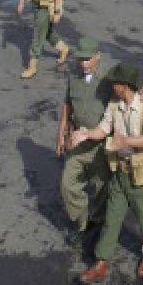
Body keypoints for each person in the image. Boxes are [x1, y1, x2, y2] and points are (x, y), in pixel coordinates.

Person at [72, 63, 143, 285]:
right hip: (120, 173)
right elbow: (103, 128)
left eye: (115, 82)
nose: (112, 85)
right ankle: (101, 262)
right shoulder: (114, 104)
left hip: (140, 175)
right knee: (112, 219)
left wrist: (126, 141)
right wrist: (85, 135)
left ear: (125, 86)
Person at [57, 37, 111, 240]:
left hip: (101, 145)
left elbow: (126, 100)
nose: (84, 63)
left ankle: (97, 220)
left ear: (98, 56)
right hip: (77, 141)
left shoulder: (108, 79)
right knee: (67, 185)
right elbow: (67, 105)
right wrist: (60, 136)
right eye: (81, 59)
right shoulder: (74, 75)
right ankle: (82, 222)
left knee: (101, 188)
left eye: (88, 59)